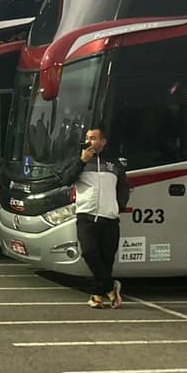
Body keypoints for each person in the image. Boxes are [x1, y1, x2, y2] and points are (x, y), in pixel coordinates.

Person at [61, 126, 130, 309]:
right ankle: (110, 287)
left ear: (103, 142)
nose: (89, 141)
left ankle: (97, 295)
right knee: (89, 252)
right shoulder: (79, 160)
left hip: (110, 218)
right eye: (87, 137)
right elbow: (65, 179)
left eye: (93, 138)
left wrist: (118, 206)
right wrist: (81, 161)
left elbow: (123, 187)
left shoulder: (114, 164)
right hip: (87, 216)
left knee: (106, 258)